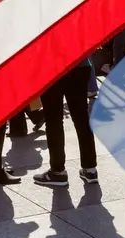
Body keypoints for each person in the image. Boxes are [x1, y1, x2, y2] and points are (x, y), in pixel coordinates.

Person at [33, 58, 98, 187]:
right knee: (82, 119)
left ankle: (58, 171)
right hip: (79, 65)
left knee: (54, 121)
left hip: (51, 65)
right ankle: (90, 169)